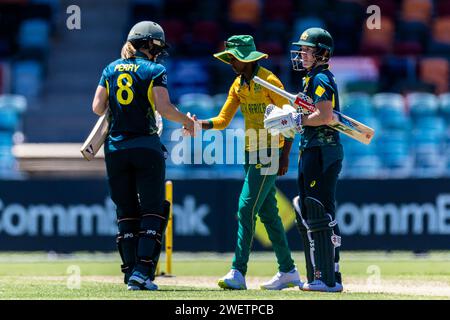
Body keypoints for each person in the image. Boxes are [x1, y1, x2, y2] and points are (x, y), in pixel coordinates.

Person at [91, 21, 195, 291]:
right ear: (149, 44)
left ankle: (129, 274)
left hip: (114, 149)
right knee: (154, 209)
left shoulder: (110, 68)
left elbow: (97, 107)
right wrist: (188, 122)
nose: (159, 53)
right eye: (157, 47)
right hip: (145, 147)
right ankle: (142, 271)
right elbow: (165, 107)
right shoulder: (155, 70)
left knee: (125, 212)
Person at [195, 35, 302, 290]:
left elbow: (291, 118)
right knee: (269, 214)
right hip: (249, 153)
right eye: (229, 58)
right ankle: (288, 270)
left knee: (245, 209)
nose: (230, 62)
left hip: (269, 153)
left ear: (246, 59)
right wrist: (200, 124)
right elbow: (222, 119)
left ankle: (238, 271)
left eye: (234, 58)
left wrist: (285, 154)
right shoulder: (238, 85)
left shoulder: (269, 81)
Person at [264, 28, 343, 292]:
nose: (302, 54)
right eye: (302, 49)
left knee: (317, 209)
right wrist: (291, 119)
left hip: (322, 150)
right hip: (313, 148)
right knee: (312, 210)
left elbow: (324, 115)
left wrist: (296, 120)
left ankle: (325, 279)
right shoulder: (311, 79)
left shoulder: (321, 78)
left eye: (307, 50)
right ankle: (327, 275)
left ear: (322, 53)